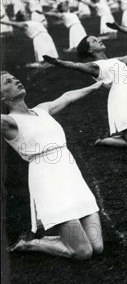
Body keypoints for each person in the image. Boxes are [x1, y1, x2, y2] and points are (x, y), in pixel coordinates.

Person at [1, 71, 104, 260]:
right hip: (48, 181)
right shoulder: (8, 122)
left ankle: (63, 238)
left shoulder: (42, 109)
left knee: (97, 246)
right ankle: (33, 244)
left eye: (15, 77)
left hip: (71, 174)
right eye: (8, 81)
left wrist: (95, 86)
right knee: (83, 252)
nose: (16, 79)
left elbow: (67, 97)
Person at [43, 36, 127, 148]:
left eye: (97, 38)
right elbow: (76, 65)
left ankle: (119, 135)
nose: (99, 40)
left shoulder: (115, 60)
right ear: (90, 50)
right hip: (121, 98)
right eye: (94, 41)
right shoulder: (95, 67)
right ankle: (103, 141)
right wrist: (58, 62)